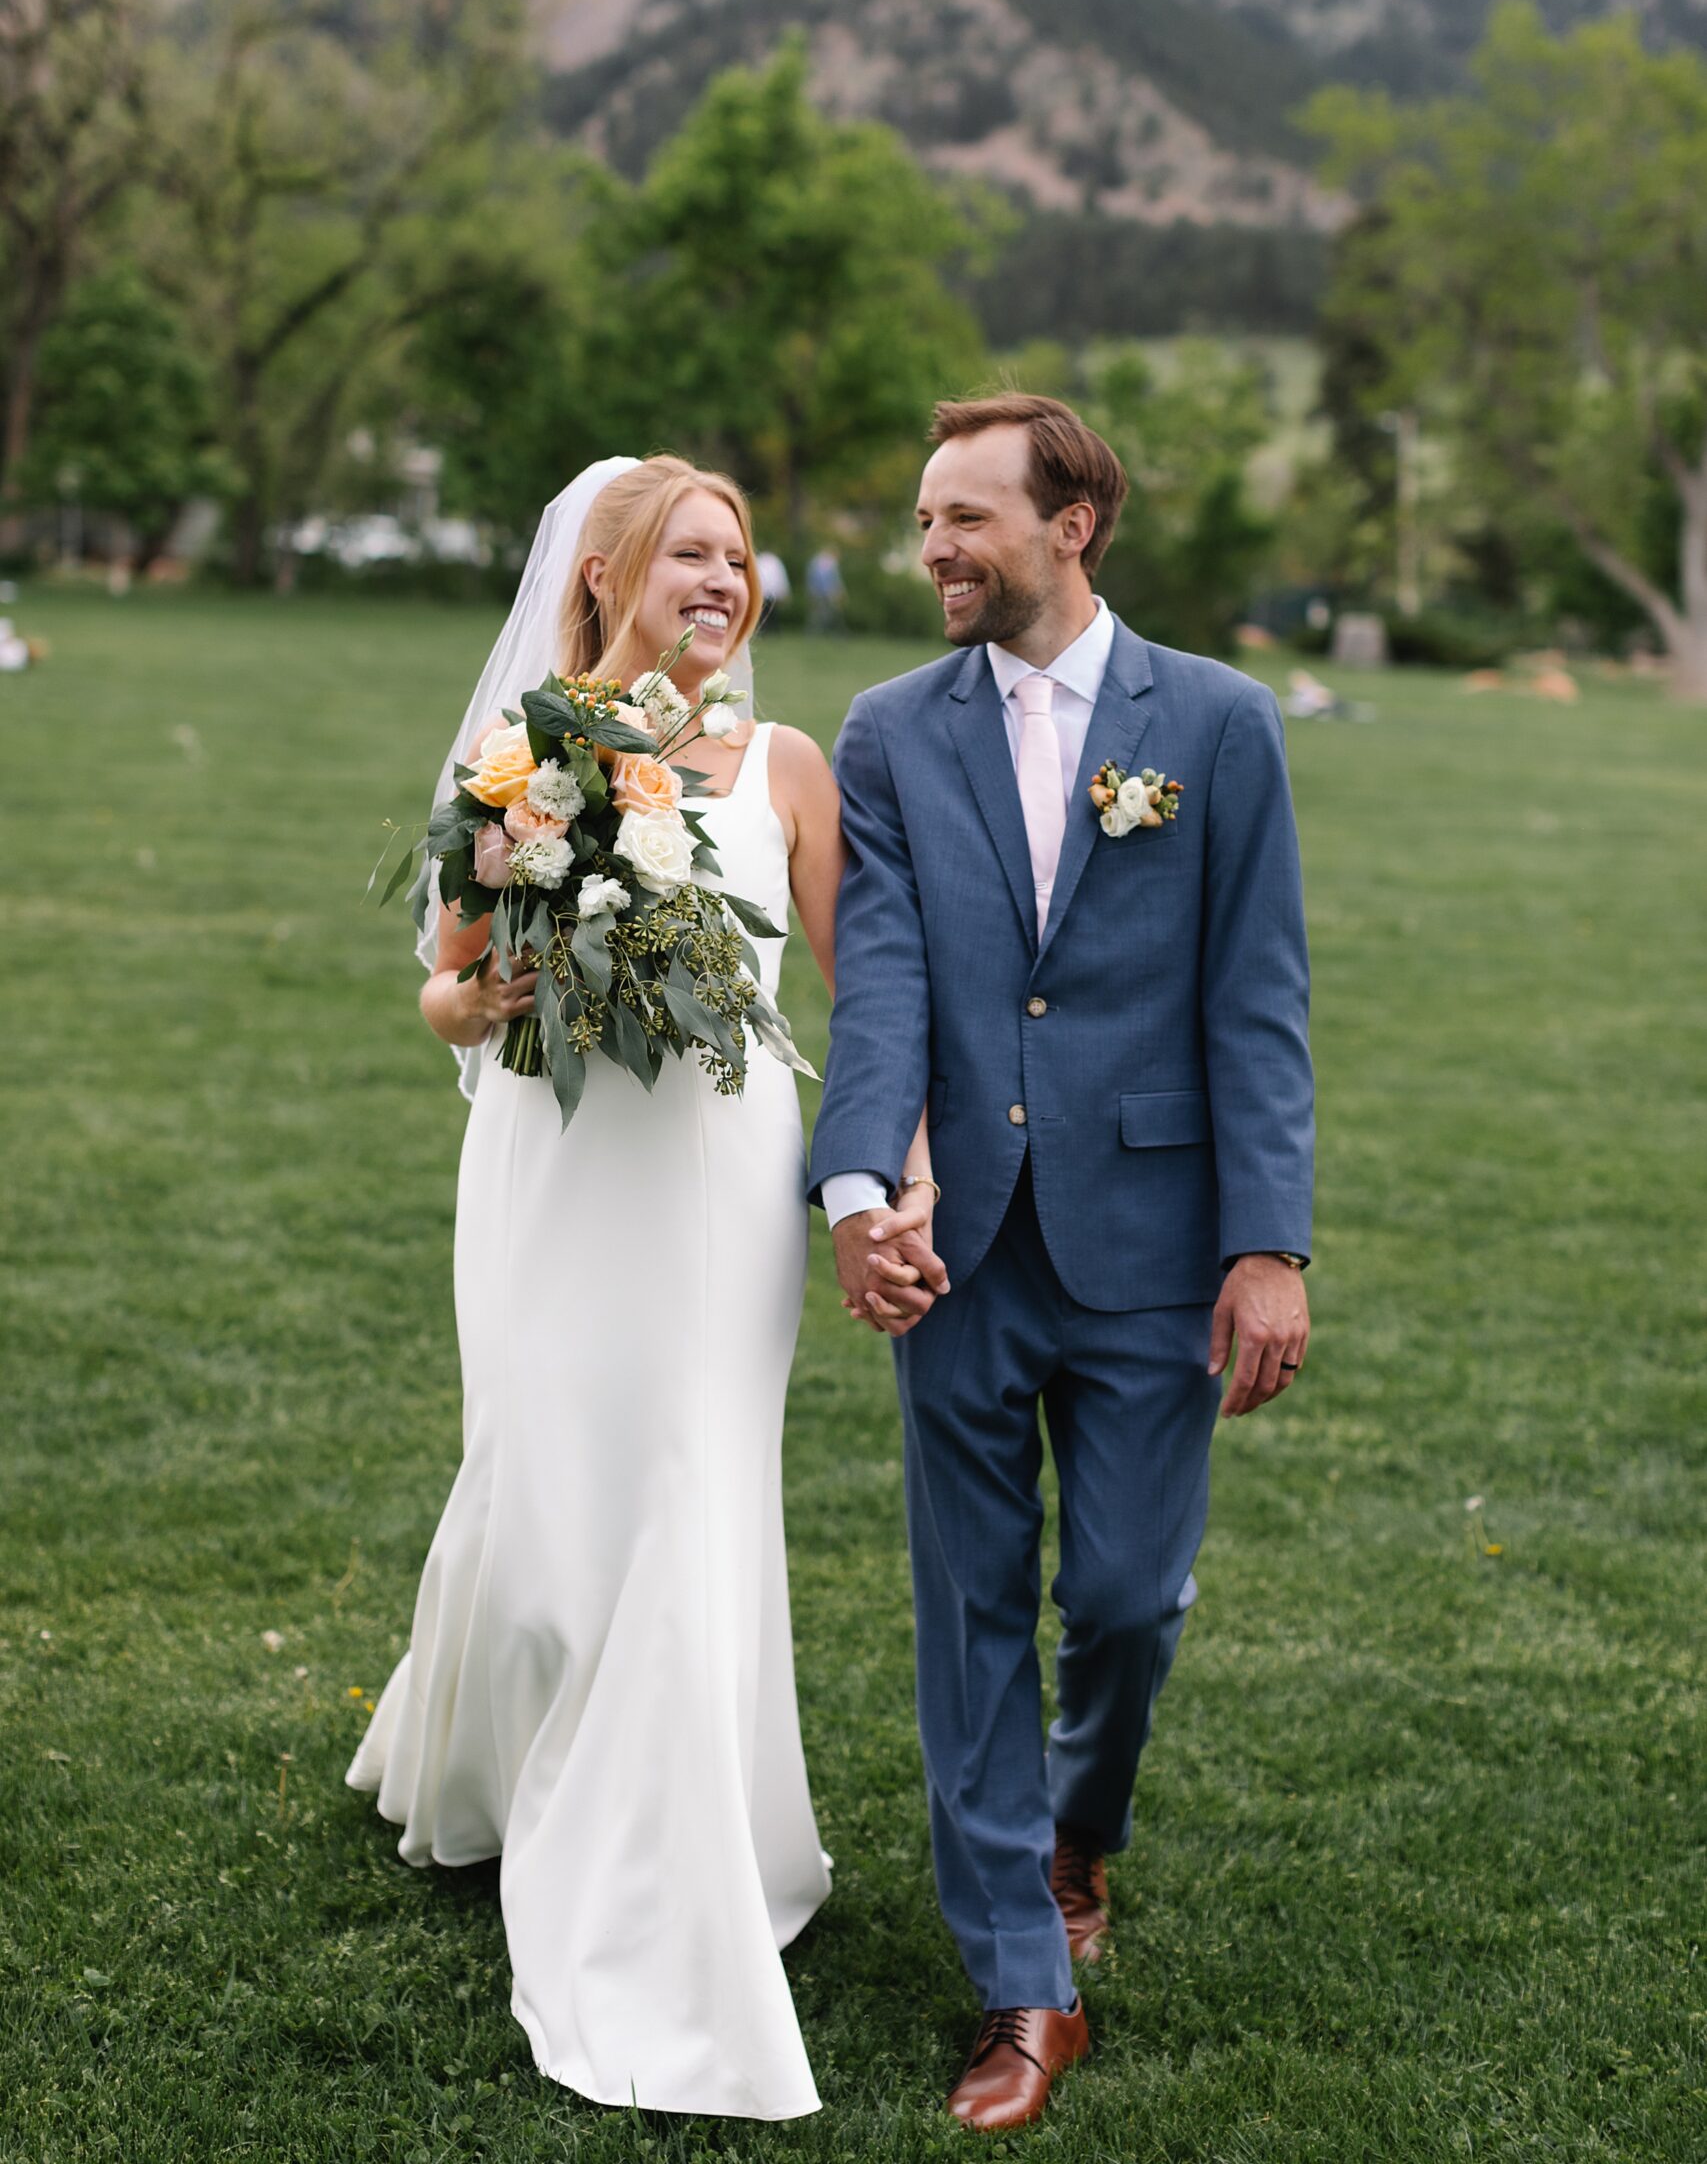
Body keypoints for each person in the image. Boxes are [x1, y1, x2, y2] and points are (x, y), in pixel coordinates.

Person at [347, 453, 939, 2120]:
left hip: (712, 1186)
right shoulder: (525, 757)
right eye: (688, 549)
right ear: (599, 577)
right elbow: (448, 1001)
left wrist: (900, 1171)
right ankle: (495, 1745)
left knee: (680, 1490)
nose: (721, 579)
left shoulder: (789, 767)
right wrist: (516, 974)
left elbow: (866, 988)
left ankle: (667, 1876)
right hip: (549, 1168)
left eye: (737, 556)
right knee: (545, 1499)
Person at [810, 394, 1314, 2133]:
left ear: (1071, 521)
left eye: (965, 518)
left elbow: (1256, 997)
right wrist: (865, 1188)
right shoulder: (884, 732)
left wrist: (1265, 1244)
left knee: (1117, 1601)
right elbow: (875, 978)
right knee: (966, 1616)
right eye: (924, 520)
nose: (932, 549)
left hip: (1154, 1241)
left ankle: (1081, 1828)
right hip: (957, 1251)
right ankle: (1022, 1982)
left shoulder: (1220, 726)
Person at [805, 544, 844, 632]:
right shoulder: (820, 563)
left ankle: (822, 631)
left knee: (825, 613)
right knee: (819, 613)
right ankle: (817, 631)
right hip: (822, 592)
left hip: (824, 592)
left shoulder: (819, 562)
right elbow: (833, 580)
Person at [756, 546, 791, 628]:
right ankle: (771, 627)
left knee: (766, 612)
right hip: (770, 592)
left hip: (765, 591)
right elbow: (780, 578)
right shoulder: (775, 561)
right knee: (770, 612)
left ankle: (767, 627)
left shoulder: (761, 560)